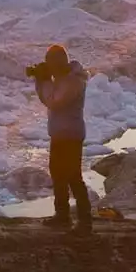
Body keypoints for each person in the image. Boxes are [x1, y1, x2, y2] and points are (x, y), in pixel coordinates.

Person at [33, 43, 93, 232]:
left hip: (70, 135)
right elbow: (50, 100)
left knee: (73, 176)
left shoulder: (72, 81)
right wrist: (42, 80)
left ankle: (84, 221)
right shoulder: (62, 79)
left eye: (50, 63)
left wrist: (43, 80)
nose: (48, 67)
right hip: (60, 133)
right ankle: (62, 216)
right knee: (58, 174)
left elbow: (54, 101)